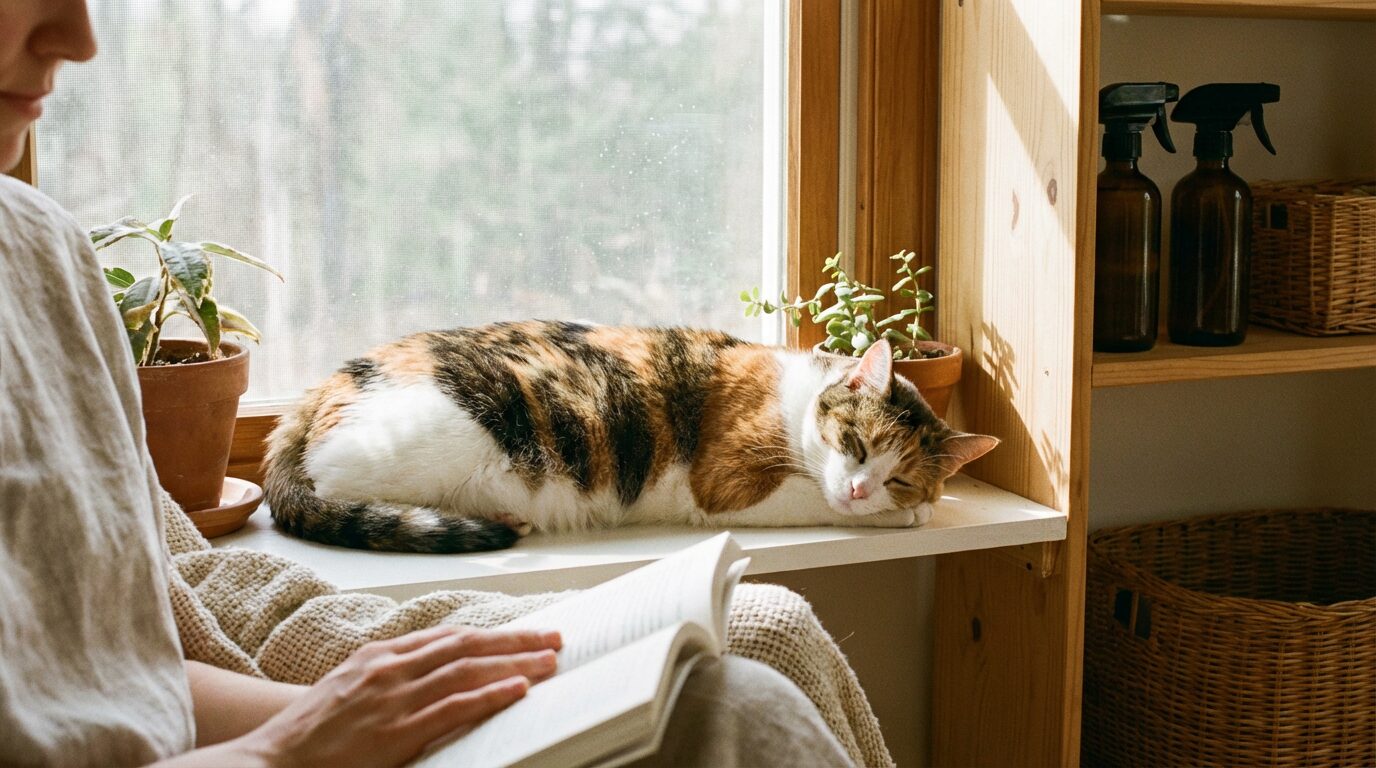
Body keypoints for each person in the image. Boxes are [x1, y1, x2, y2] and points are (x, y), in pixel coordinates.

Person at [0, 2, 876, 766]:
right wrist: (288, 751)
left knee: (753, 661)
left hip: (244, 720)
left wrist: (385, 721)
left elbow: (131, 663)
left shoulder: (39, 247)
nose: (80, 39)